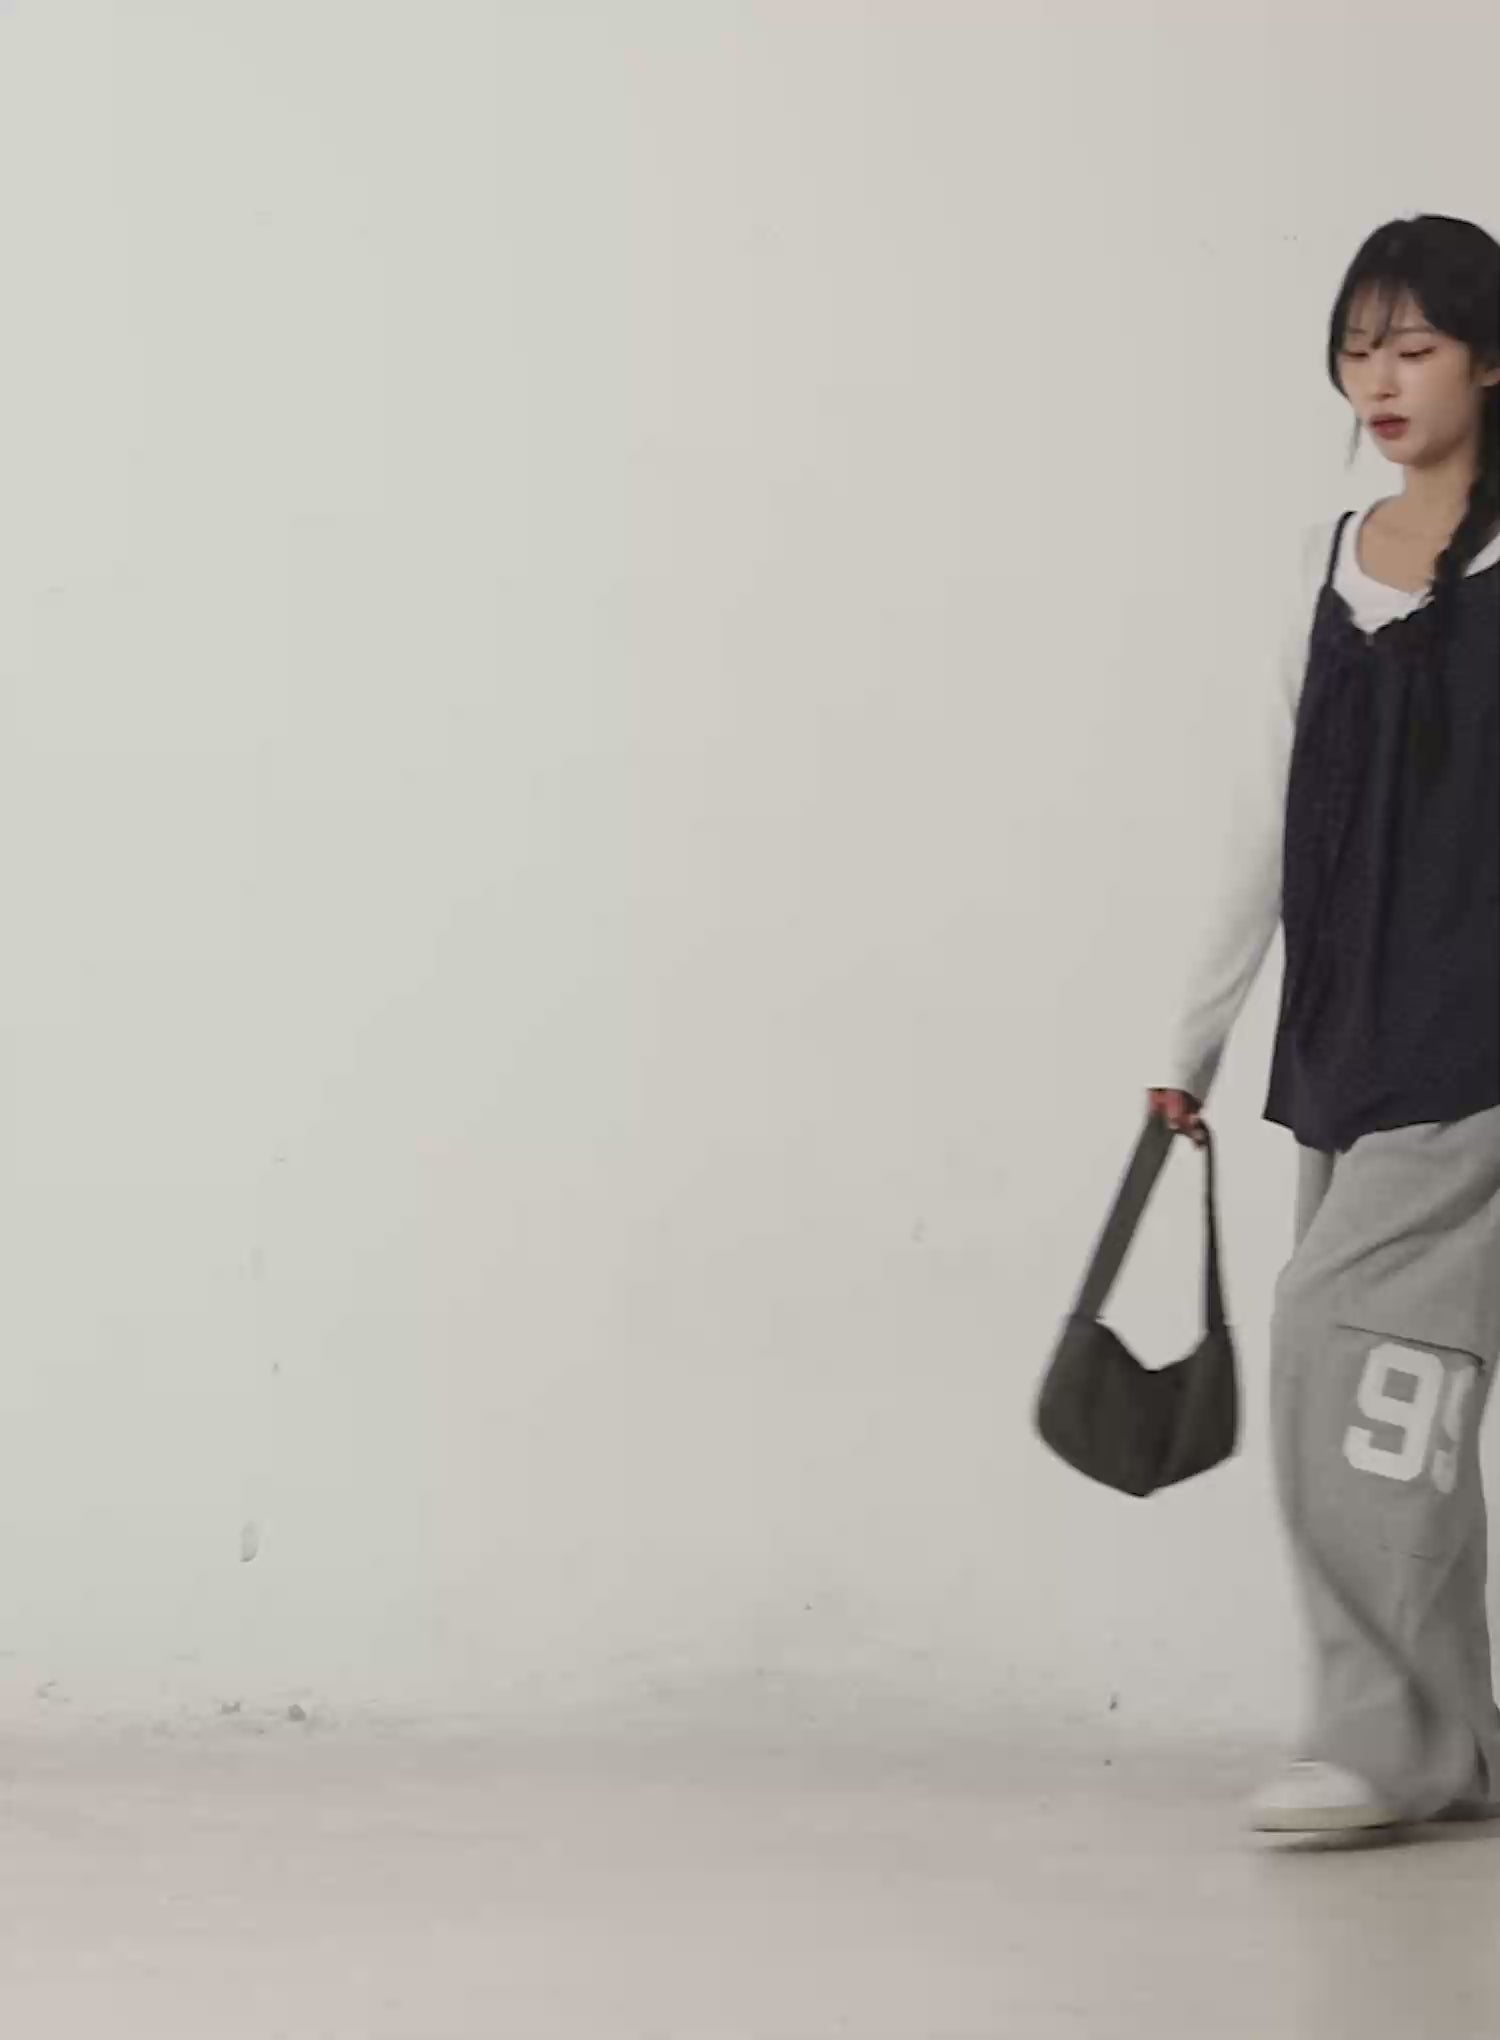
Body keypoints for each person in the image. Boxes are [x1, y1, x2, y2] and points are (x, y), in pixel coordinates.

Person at [1148, 213, 1500, 1834]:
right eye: (1358, 350)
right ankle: (1455, 1744)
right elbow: (1260, 820)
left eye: (1414, 346)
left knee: (1339, 1353)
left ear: (1490, 360)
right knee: (1403, 1406)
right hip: (1349, 1040)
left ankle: (1386, 1742)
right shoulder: (1327, 557)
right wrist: (1191, 1044)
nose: (1381, 380)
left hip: (1475, 1041)